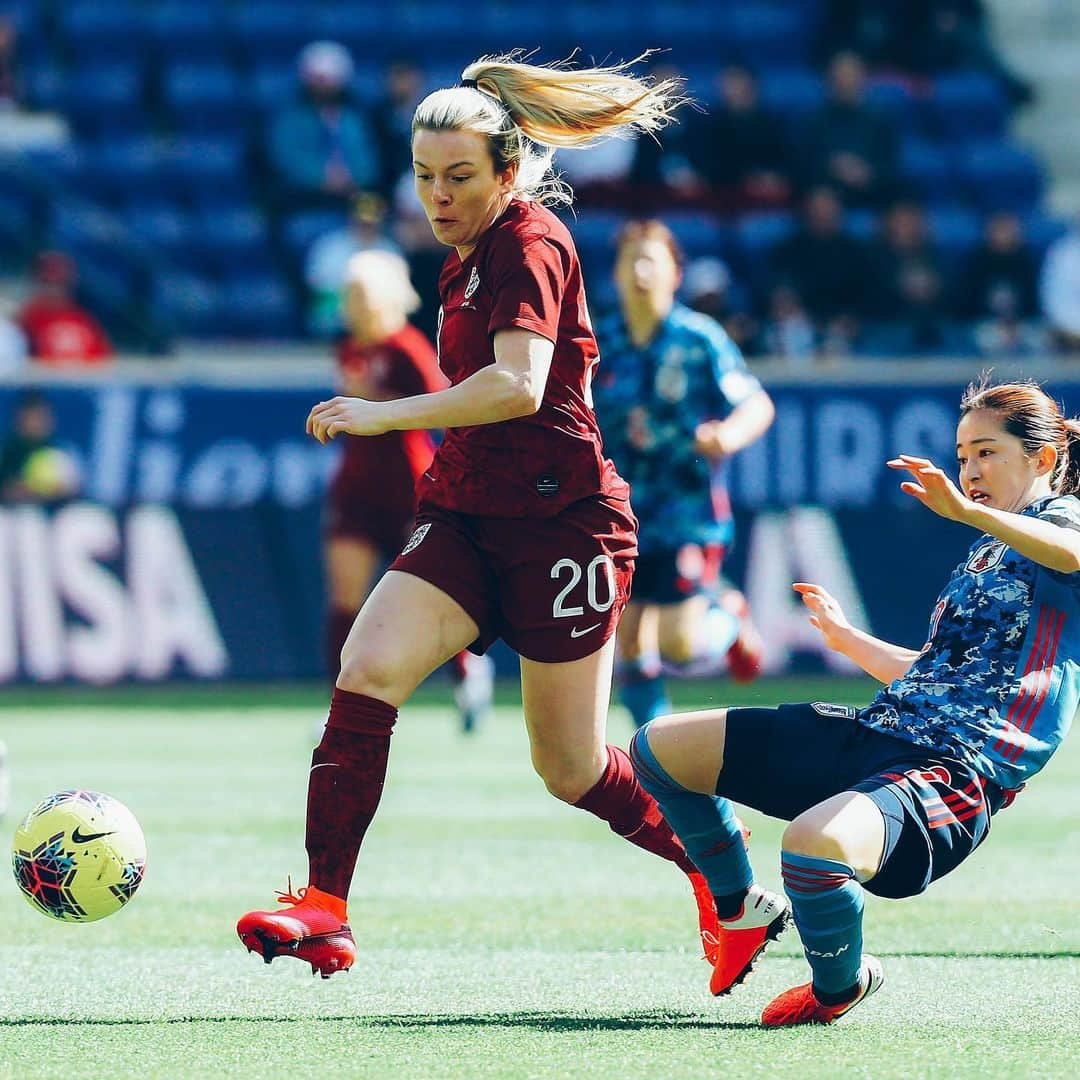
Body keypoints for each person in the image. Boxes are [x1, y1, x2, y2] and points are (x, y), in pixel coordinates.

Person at [236, 52, 729, 980]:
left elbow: (518, 385)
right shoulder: (462, 262)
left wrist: (383, 415)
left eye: (460, 176)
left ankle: (720, 877)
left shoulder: (533, 242)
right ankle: (326, 907)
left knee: (572, 768)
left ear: (508, 171)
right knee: (367, 666)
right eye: (425, 177)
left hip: (562, 525)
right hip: (468, 513)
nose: (439, 195)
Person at [630, 377, 1080, 1024]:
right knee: (658, 751)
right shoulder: (987, 552)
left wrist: (972, 512)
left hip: (952, 775)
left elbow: (1073, 550)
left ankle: (838, 986)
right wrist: (847, 639)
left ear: (1040, 459)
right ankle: (739, 909)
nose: (969, 469)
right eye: (961, 455)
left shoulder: (1056, 523)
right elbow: (928, 674)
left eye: (986, 452)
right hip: (883, 734)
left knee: (811, 848)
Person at [593, 220, 774, 731]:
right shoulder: (599, 342)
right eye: (632, 260)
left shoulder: (699, 339)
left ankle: (730, 617)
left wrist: (728, 435)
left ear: (676, 273)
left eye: (653, 260)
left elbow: (756, 404)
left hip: (686, 512)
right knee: (627, 635)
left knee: (680, 644)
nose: (642, 271)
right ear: (617, 274)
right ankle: (653, 746)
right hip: (618, 511)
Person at [323, 248, 493, 732]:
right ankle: (338, 707)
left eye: (362, 295)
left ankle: (465, 672)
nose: (353, 305)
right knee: (344, 597)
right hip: (355, 488)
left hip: (408, 488)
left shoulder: (407, 349)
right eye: (349, 295)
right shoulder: (349, 349)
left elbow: (446, 405)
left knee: (430, 590)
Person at [266, 41, 381, 211]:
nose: (323, 87)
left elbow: (368, 158)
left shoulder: (355, 118)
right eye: (318, 80)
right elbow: (287, 158)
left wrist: (353, 177)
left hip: (353, 193)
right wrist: (322, 178)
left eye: (328, 80)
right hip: (305, 196)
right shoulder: (290, 119)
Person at [17, 251, 114, 366]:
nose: (55, 290)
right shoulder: (26, 321)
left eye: (60, 283)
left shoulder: (83, 320)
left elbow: (105, 360)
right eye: (48, 283)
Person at [0, 389, 80, 503]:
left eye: (40, 418)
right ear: (18, 420)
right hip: (14, 513)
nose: (35, 424)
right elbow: (8, 491)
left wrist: (49, 490)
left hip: (55, 513)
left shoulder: (63, 451)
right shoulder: (6, 451)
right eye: (30, 418)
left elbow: (75, 490)